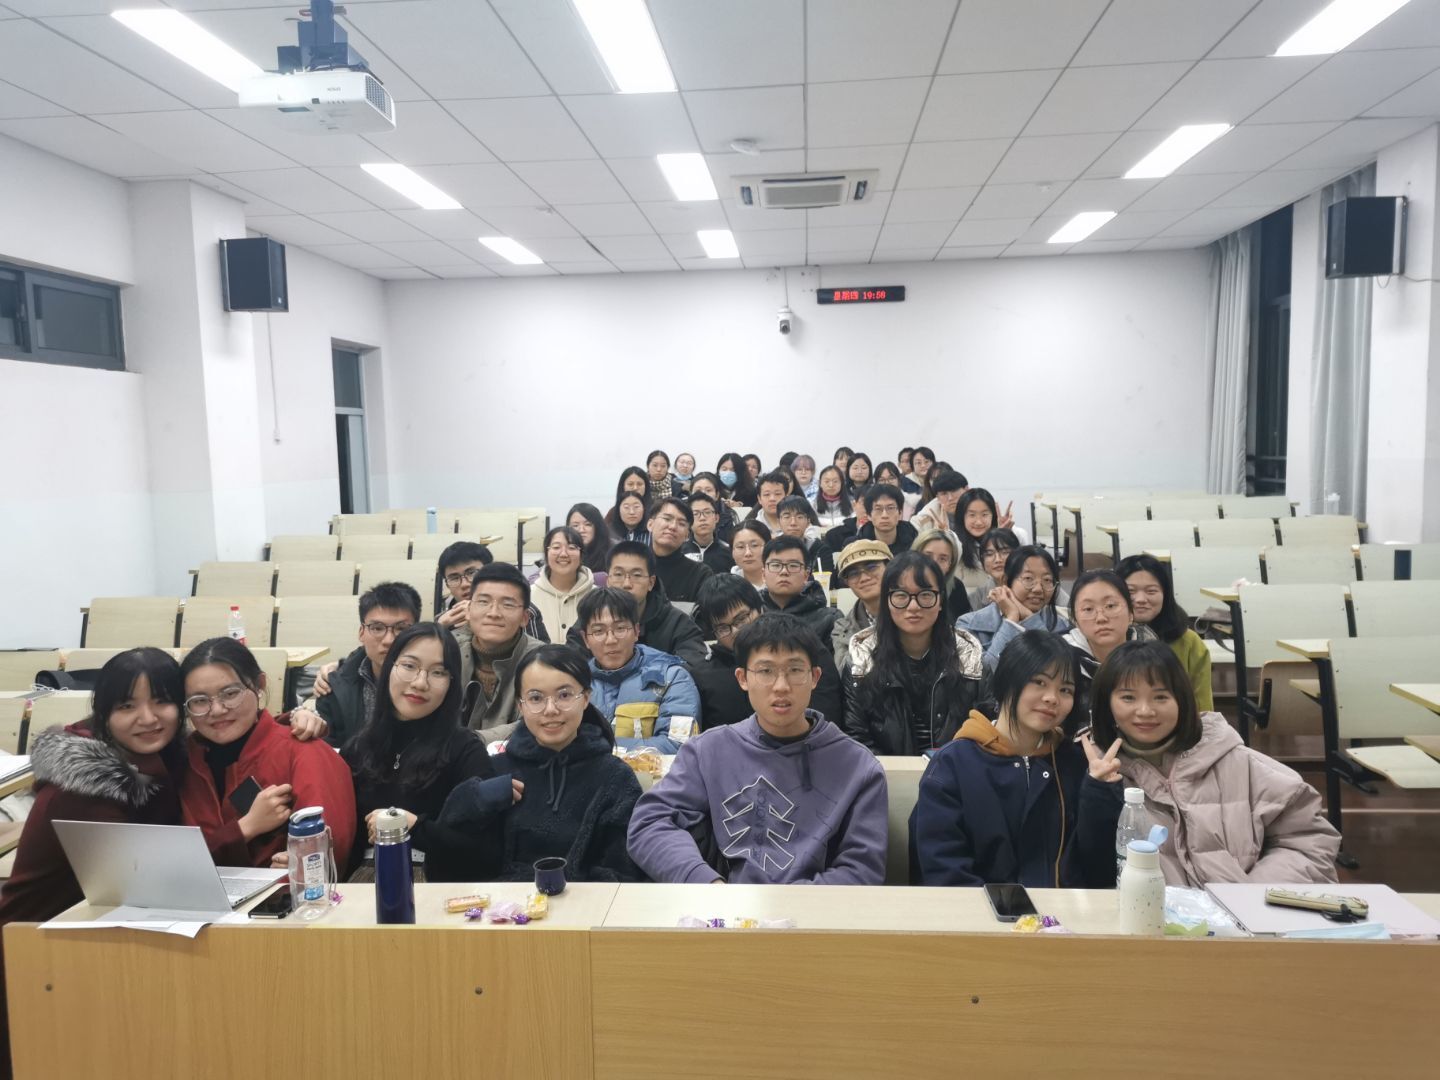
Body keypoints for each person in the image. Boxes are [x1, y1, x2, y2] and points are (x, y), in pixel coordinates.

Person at [627, 614, 888, 885]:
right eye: (765, 671)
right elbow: (650, 822)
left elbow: (862, 869)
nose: (781, 686)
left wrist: (794, 904)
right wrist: (706, 883)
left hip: (817, 908)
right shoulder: (708, 751)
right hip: (724, 906)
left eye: (795, 670)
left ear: (815, 677)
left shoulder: (858, 766)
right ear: (742, 678)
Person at [1080, 641, 1339, 886]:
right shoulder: (1098, 774)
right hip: (1152, 916)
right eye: (1128, 698)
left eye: (1161, 697)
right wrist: (1098, 793)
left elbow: (1307, 840)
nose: (1145, 710)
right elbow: (1089, 872)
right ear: (1107, 703)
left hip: (1243, 915)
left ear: (1182, 700)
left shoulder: (1236, 761)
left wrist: (1251, 894)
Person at [0, 649, 185, 925]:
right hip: (36, 936)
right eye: (127, 706)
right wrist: (242, 829)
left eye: (162, 701)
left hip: (98, 920)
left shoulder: (162, 756)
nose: (147, 718)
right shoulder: (85, 788)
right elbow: (146, 876)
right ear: (104, 714)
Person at [911, 630, 1102, 887]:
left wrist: (1101, 794)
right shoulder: (953, 764)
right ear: (1006, 682)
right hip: (976, 909)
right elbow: (944, 869)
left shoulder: (1073, 762)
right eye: (1039, 682)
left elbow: (1095, 866)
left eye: (1065, 689)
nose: (1052, 698)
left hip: (1062, 910)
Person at [437, 646, 643, 882]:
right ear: (520, 705)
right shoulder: (495, 771)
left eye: (564, 695)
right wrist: (474, 800)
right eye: (536, 698)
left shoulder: (615, 778)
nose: (551, 710)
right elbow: (450, 853)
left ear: (585, 698)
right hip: (501, 903)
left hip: (584, 903)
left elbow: (624, 872)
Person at [342, 623, 504, 882]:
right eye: (409, 666)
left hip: (438, 886)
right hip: (360, 885)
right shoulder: (358, 748)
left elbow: (487, 852)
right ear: (389, 668)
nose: (420, 683)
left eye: (438, 672)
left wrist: (416, 827)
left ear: (452, 683)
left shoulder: (465, 749)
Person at [178, 637, 356, 870]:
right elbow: (173, 862)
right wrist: (245, 829)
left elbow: (324, 855)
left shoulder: (303, 752)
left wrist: (296, 869)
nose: (217, 710)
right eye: (200, 700)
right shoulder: (182, 762)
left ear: (259, 684)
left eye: (230, 694)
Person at [842, 552, 984, 755]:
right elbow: (857, 738)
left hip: (956, 770)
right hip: (886, 771)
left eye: (926, 595)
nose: (914, 606)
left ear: (941, 600)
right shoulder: (861, 659)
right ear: (886, 601)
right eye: (901, 596)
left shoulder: (969, 655)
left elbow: (986, 730)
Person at [691, 576, 845, 730]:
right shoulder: (706, 677)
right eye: (723, 628)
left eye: (741, 618)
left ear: (760, 608)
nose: (736, 631)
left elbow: (827, 719)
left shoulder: (802, 650)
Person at [292, 582, 420, 751]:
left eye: (401, 628)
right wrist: (304, 717)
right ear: (361, 633)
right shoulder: (333, 687)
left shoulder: (433, 681)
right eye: (377, 628)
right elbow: (329, 749)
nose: (389, 640)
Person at [578, 588, 700, 754]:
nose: (611, 640)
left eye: (620, 628)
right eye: (599, 631)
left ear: (636, 631)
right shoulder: (575, 683)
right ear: (585, 639)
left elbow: (679, 744)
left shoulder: (671, 678)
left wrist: (602, 750)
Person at [454, 563, 545, 744]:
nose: (493, 613)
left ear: (524, 618)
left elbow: (539, 720)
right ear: (468, 610)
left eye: (508, 604)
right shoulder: (447, 652)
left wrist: (472, 741)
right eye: (483, 602)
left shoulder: (542, 660)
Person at [578, 540, 707, 666]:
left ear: (651, 582)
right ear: (607, 581)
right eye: (618, 574)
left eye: (637, 575)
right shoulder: (592, 618)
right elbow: (572, 661)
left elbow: (694, 665)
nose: (627, 584)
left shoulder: (677, 624)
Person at [1117, 553, 1213, 711]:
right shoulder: (1107, 637)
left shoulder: (1189, 642)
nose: (1140, 599)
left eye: (1151, 591)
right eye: (1130, 591)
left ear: (1165, 594)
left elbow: (1203, 708)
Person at [1063, 569, 1156, 732]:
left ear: (1131, 613)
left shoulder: (1154, 656)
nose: (1101, 618)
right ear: (1075, 621)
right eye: (1088, 609)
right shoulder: (1061, 661)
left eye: (1111, 606)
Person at [957, 545, 1072, 673]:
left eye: (1047, 580)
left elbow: (1059, 671)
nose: (1038, 589)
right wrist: (1011, 620)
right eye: (1028, 578)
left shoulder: (1062, 625)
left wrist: (1029, 618)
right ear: (1006, 581)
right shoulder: (968, 624)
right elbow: (981, 677)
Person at [759, 534, 839, 641]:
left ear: (806, 575)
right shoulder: (751, 615)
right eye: (776, 565)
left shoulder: (829, 618)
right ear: (763, 574)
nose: (784, 572)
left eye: (793, 565)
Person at [829, 539, 891, 668]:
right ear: (847, 583)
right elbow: (846, 672)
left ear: (890, 568)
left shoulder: (914, 611)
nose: (864, 578)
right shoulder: (842, 628)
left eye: (871, 567)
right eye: (853, 573)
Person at [531, 526, 597, 644]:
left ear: (581, 555)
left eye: (571, 547)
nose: (563, 554)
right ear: (546, 553)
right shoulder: (529, 596)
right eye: (556, 547)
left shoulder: (596, 596)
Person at [647, 496, 714, 603]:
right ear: (650, 524)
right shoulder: (633, 567)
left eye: (681, 523)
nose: (673, 526)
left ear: (687, 535)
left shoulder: (699, 574)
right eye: (667, 519)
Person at [914, 527, 971, 621]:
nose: (934, 564)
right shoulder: (901, 585)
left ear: (950, 565)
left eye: (942, 559)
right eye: (927, 556)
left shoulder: (956, 588)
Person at [435, 540, 493, 629]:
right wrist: (439, 628)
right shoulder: (443, 623)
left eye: (472, 573)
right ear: (447, 586)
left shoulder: (511, 612)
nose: (464, 584)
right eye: (454, 578)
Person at [776, 494, 834, 573]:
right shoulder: (771, 549)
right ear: (778, 521)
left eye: (799, 517)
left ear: (808, 521)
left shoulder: (820, 549)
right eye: (787, 517)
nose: (793, 523)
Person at [682, 490, 735, 573]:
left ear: (716, 518)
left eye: (707, 512)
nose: (702, 518)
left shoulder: (729, 553)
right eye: (695, 514)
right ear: (688, 520)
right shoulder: (679, 552)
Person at [856, 484, 917, 553]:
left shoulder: (915, 544)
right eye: (878, 509)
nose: (884, 515)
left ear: (900, 513)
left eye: (890, 508)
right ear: (869, 515)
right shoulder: (857, 547)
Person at [970, 527, 1019, 610]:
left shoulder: (1030, 592)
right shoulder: (975, 598)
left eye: (1004, 552)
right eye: (989, 554)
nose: (998, 560)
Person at [909, 468, 967, 538]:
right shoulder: (926, 517)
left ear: (966, 489)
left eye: (954, 490)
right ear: (937, 498)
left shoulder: (977, 505)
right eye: (944, 494)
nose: (950, 498)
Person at [688, 471, 738, 544]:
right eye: (698, 490)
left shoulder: (729, 515)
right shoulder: (683, 513)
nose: (703, 494)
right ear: (690, 494)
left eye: (708, 490)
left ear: (717, 495)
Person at [566, 502, 613, 578]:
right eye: (575, 525)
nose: (581, 530)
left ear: (597, 527)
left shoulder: (612, 553)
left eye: (587, 524)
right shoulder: (564, 553)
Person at [729, 519, 771, 592]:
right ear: (732, 552)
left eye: (754, 545)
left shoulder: (783, 579)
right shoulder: (728, 587)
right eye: (740, 547)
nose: (748, 553)